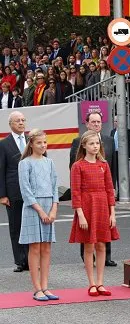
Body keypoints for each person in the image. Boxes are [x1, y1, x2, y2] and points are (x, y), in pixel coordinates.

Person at [69, 130, 119, 297]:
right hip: (86, 206)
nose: (95, 146)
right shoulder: (78, 166)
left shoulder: (104, 165)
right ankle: (91, 283)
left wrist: (113, 213)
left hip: (102, 206)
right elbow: (75, 192)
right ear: (84, 146)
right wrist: (80, 214)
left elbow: (109, 190)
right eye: (91, 143)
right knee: (89, 245)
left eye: (97, 143)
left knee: (101, 244)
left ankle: (100, 282)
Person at [18, 129, 60, 301]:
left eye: (45, 142)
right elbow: (25, 191)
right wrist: (41, 210)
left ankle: (45, 286)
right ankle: (37, 289)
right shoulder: (25, 163)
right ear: (31, 144)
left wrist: (54, 209)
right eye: (39, 142)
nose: (43, 145)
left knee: (47, 248)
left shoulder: (49, 162)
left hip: (49, 206)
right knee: (35, 247)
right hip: (32, 207)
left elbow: (55, 186)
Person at [0, 111, 29, 272]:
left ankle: (31, 259)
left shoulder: (32, 140)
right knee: (16, 226)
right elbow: (1, 170)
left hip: (32, 191)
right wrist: (2, 195)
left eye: (23, 120)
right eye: (18, 121)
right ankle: (20, 261)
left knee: (31, 225)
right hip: (13, 192)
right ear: (11, 124)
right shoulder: (4, 144)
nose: (21, 123)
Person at [109, 115, 130, 200]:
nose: (116, 123)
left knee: (122, 175)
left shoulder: (127, 131)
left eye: (117, 121)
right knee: (113, 174)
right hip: (113, 154)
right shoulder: (112, 131)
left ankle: (121, 194)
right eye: (115, 121)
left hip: (122, 155)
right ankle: (113, 194)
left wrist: (129, 156)